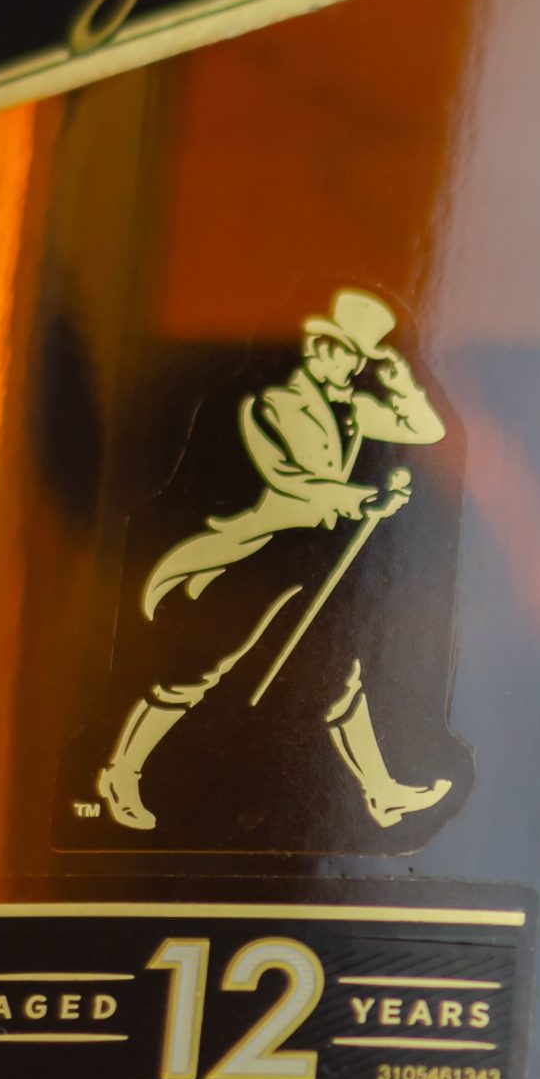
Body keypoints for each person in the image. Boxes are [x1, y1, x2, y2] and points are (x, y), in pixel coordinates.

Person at [95, 288, 454, 832]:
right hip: (263, 555)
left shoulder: (354, 411)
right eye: (346, 353)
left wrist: (401, 381)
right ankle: (120, 772)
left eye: (361, 357)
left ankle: (380, 794)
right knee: (200, 667)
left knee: (339, 673)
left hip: (319, 559)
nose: (353, 366)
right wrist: (363, 498)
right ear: (319, 347)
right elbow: (292, 483)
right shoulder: (274, 405)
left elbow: (427, 430)